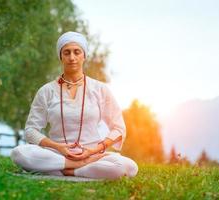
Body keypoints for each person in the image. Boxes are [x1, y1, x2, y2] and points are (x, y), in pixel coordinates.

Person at [10, 31, 138, 180]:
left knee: (129, 166)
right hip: (56, 154)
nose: (72, 57)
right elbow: (31, 130)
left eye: (77, 52)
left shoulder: (100, 89)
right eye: (66, 52)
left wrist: (93, 151)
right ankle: (79, 167)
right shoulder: (46, 91)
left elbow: (119, 129)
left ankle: (65, 171)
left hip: (93, 155)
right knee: (18, 153)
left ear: (84, 56)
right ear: (61, 57)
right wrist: (58, 147)